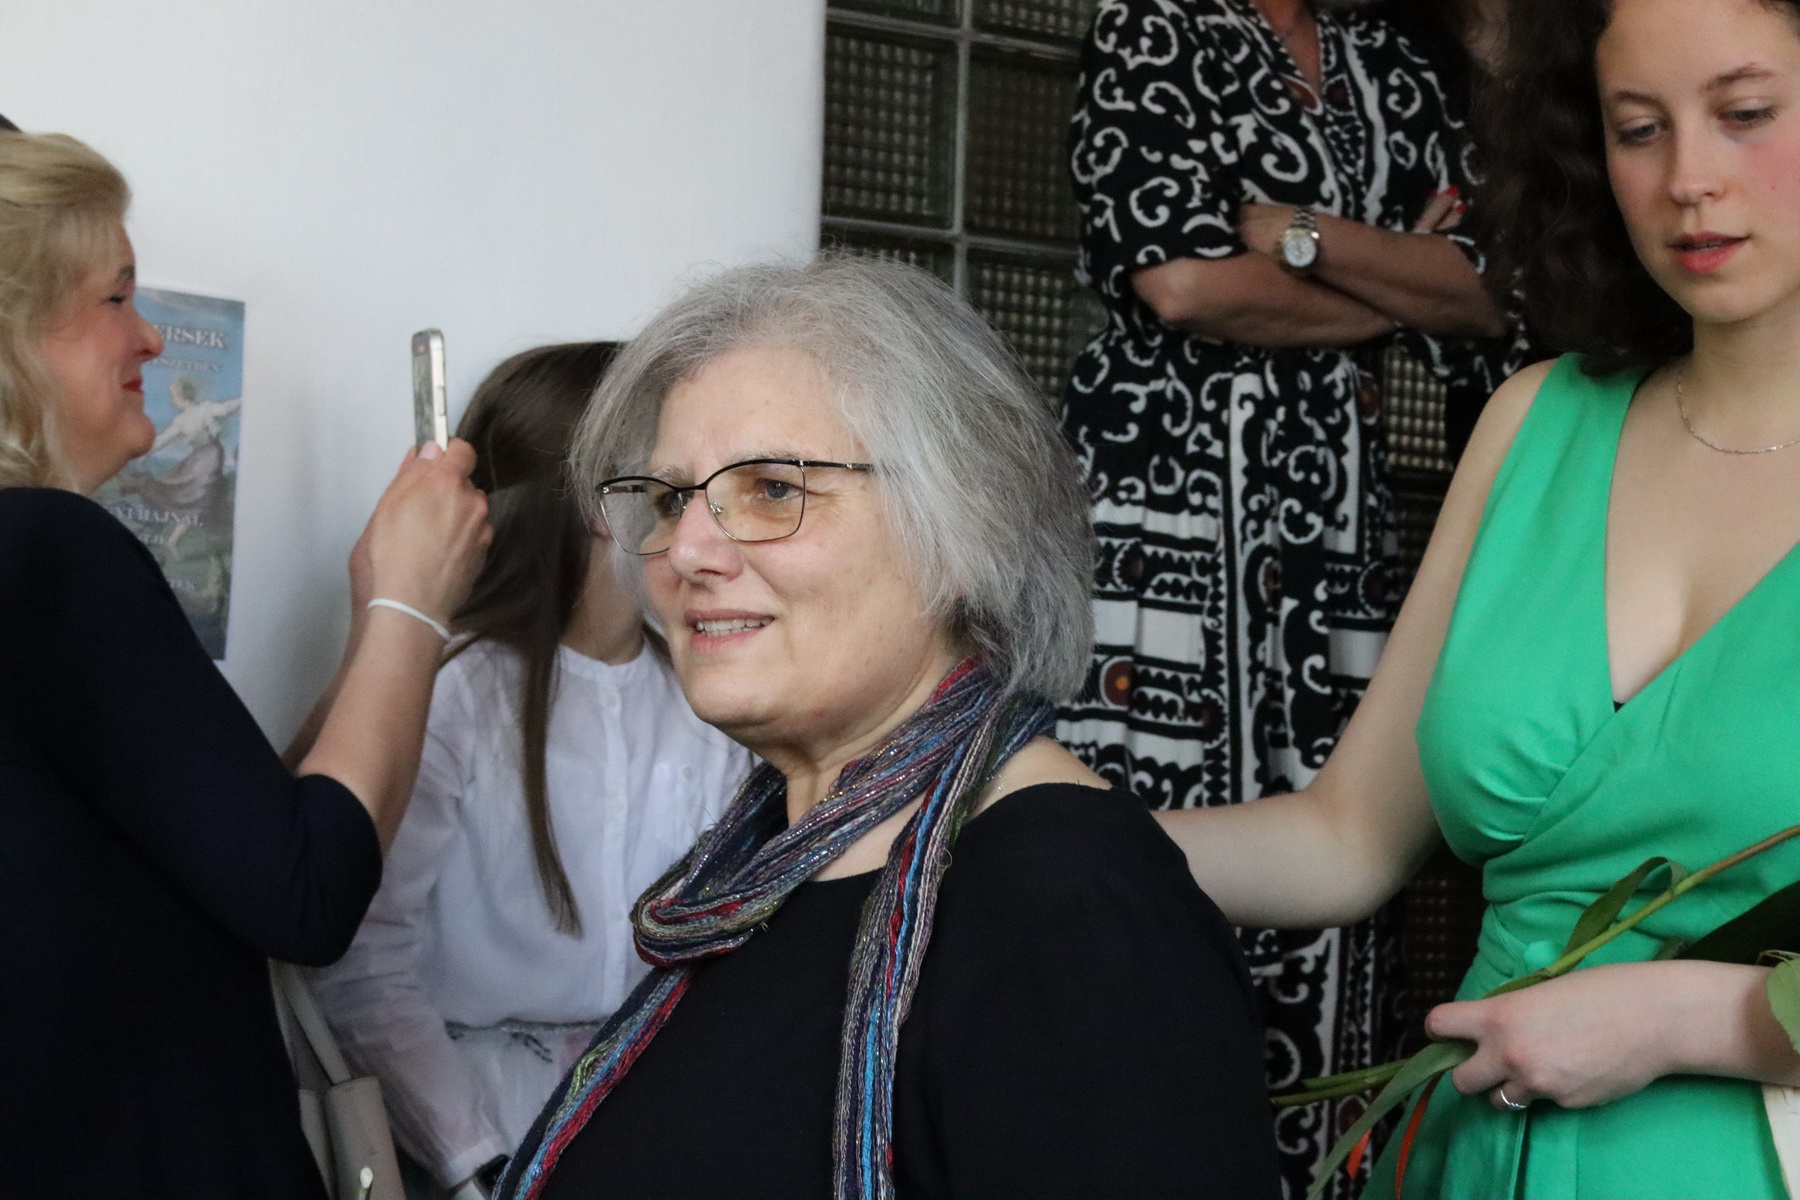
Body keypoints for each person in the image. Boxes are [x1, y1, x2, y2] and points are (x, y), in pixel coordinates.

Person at [1156, 0, 1800, 1193]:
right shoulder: (1538, 422)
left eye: (1746, 113)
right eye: (1637, 128)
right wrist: (1016, 834)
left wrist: (1690, 1021)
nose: (1688, 180)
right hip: (1468, 1158)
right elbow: (1345, 842)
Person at [491, 256, 1281, 1200]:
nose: (689, 550)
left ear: (963, 525)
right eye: (669, 500)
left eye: (772, 490)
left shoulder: (1071, 906)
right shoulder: (765, 872)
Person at [1056, 0, 1514, 1187]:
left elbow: (1488, 295)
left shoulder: (1392, 60)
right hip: (1159, 524)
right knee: (1135, 868)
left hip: (1332, 534)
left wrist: (1295, 235)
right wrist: (1382, 282)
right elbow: (1180, 286)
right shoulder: (1154, 28)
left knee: (1343, 849)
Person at [0, 129, 490, 1197]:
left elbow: (228, 842)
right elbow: (303, 892)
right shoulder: (46, 552)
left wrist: (374, 623)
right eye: (116, 297)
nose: (150, 337)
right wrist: (413, 606)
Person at [311, 342, 750, 1199]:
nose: (703, 525)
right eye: (669, 489)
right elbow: (362, 967)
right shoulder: (453, 692)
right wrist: (472, 1163)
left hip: (653, 1124)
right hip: (473, 1130)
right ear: (596, 504)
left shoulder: (708, 700)